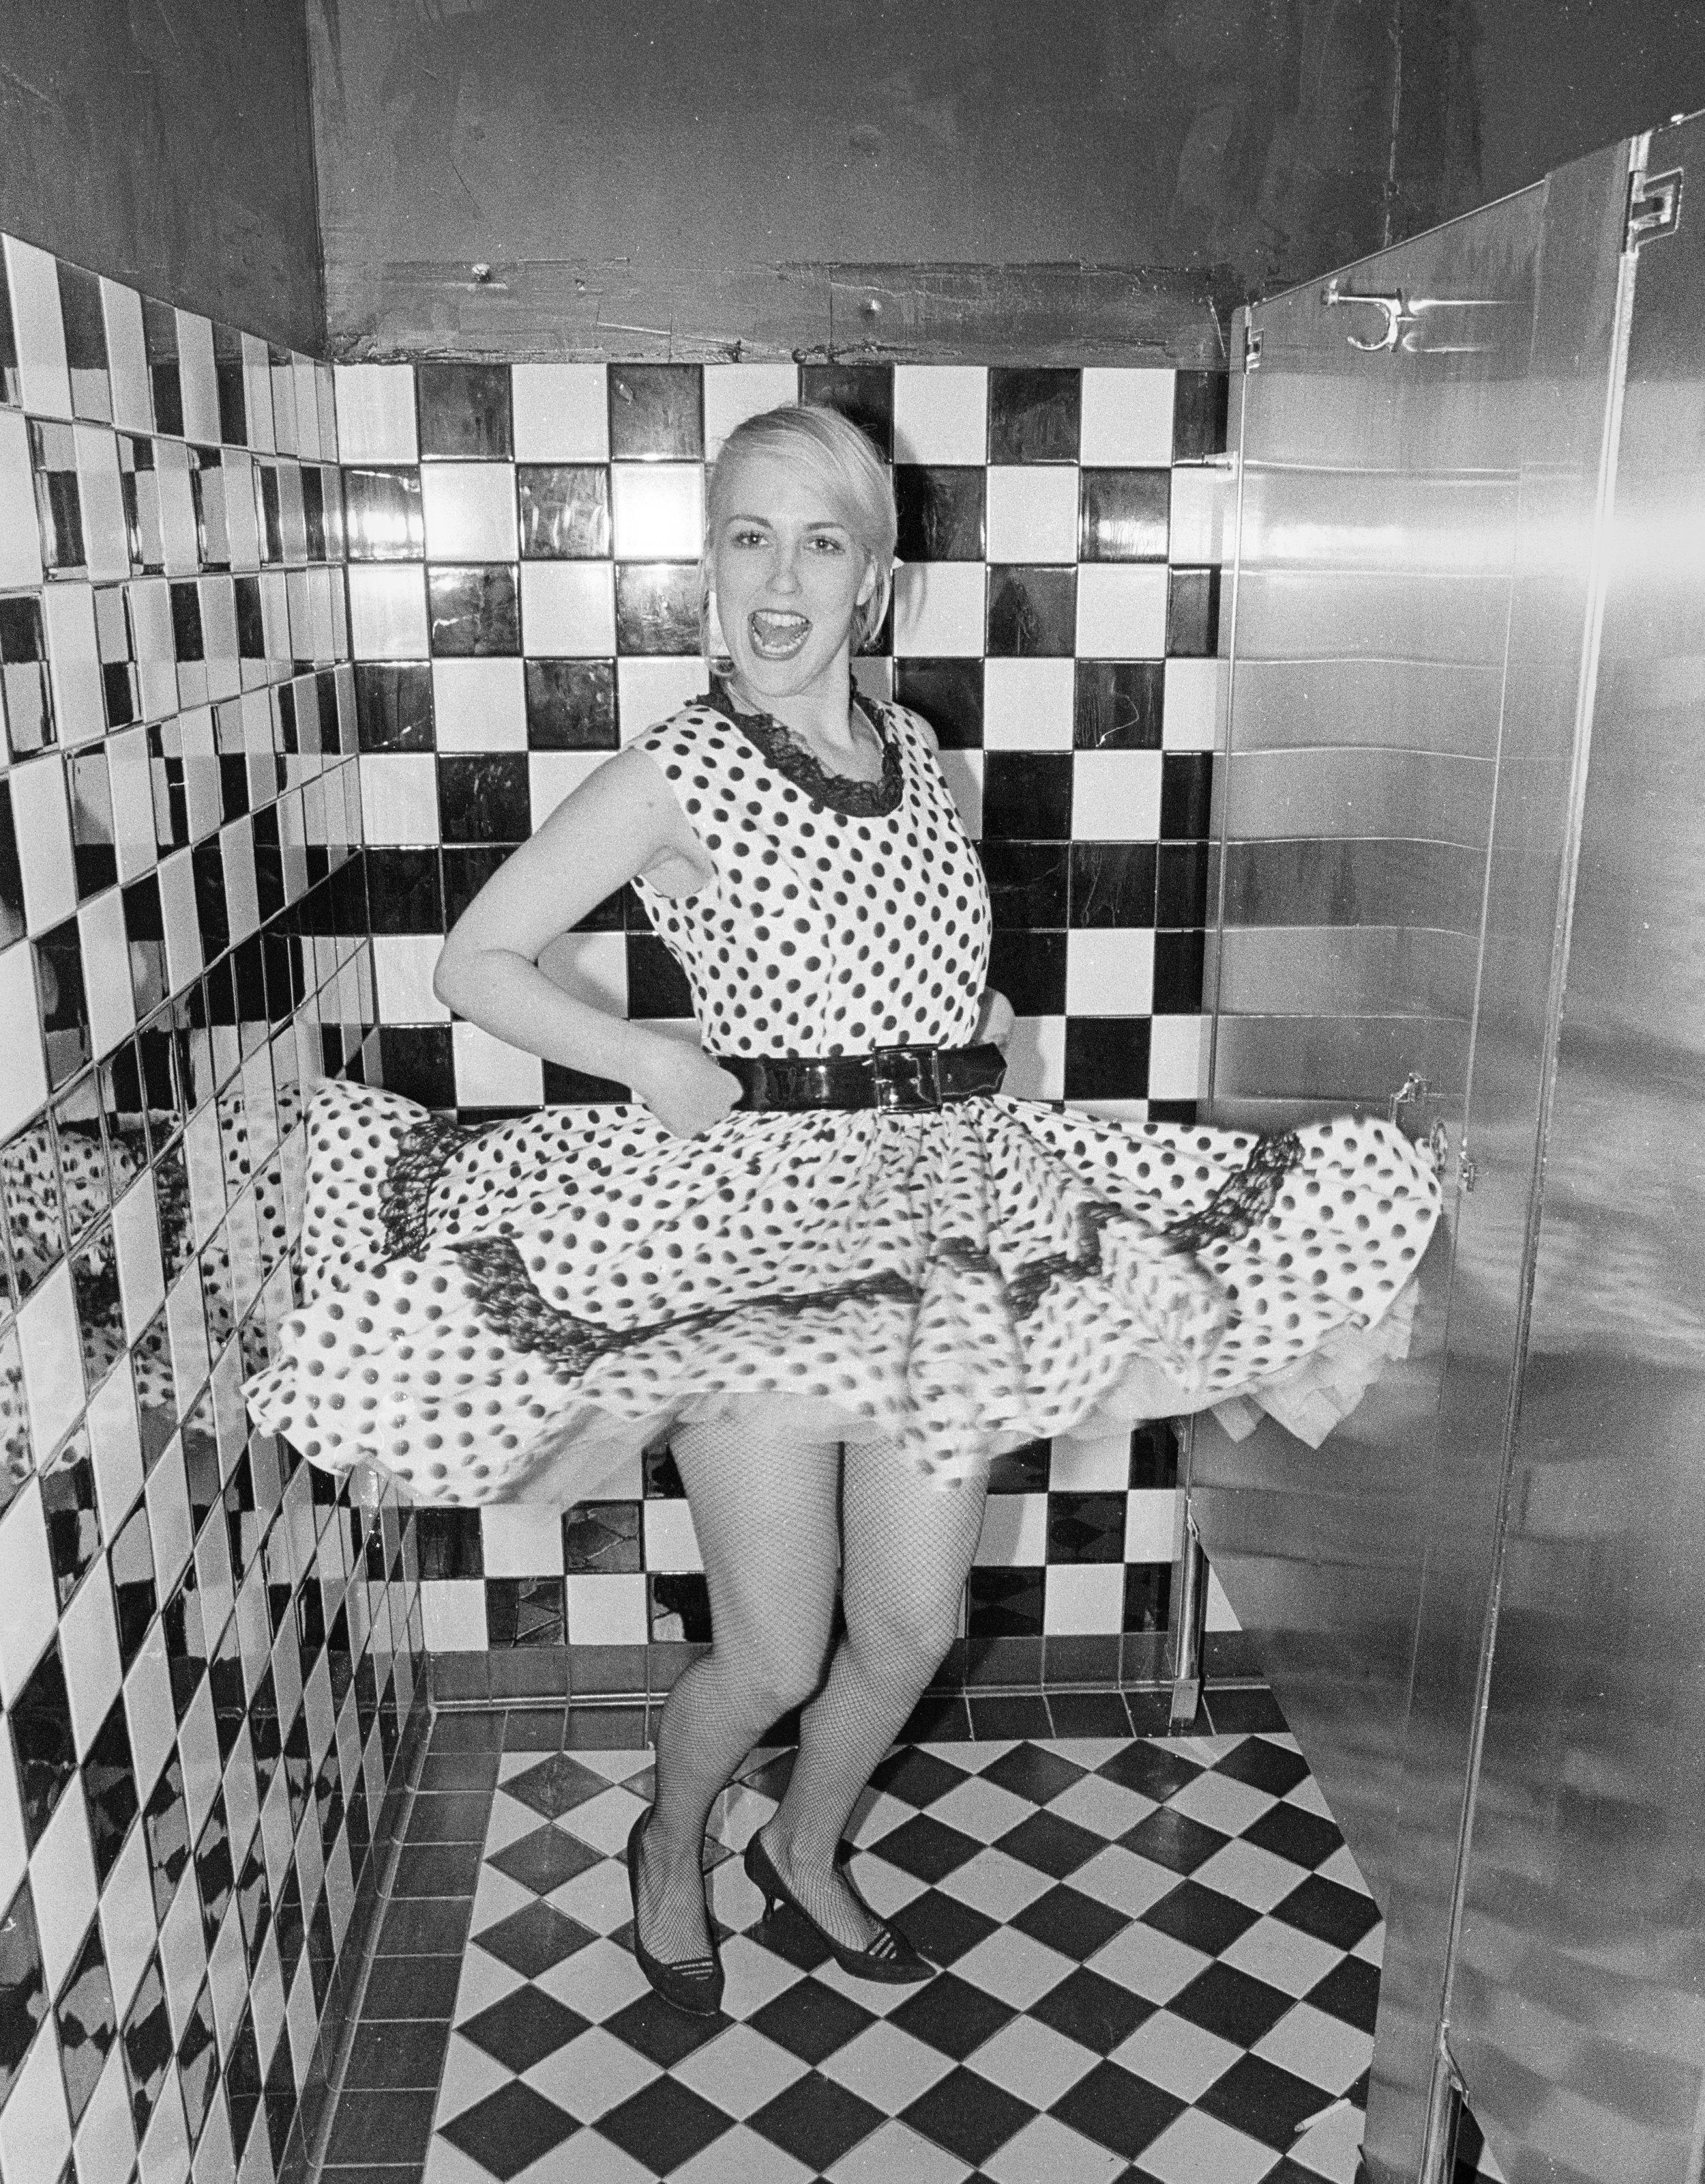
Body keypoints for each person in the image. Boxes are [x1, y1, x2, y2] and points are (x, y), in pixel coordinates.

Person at [245, 402, 1440, 2018]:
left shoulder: (921, 760)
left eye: (821, 539)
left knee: (909, 1622)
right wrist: (644, 1066)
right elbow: (478, 963)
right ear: (707, 572)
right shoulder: (679, 767)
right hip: (756, 1244)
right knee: (772, 1652)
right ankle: (672, 1844)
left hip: (944, 1226)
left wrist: (993, 1048)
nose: (781, 574)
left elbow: (949, 980)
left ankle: (804, 1848)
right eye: (747, 536)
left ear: (874, 580)